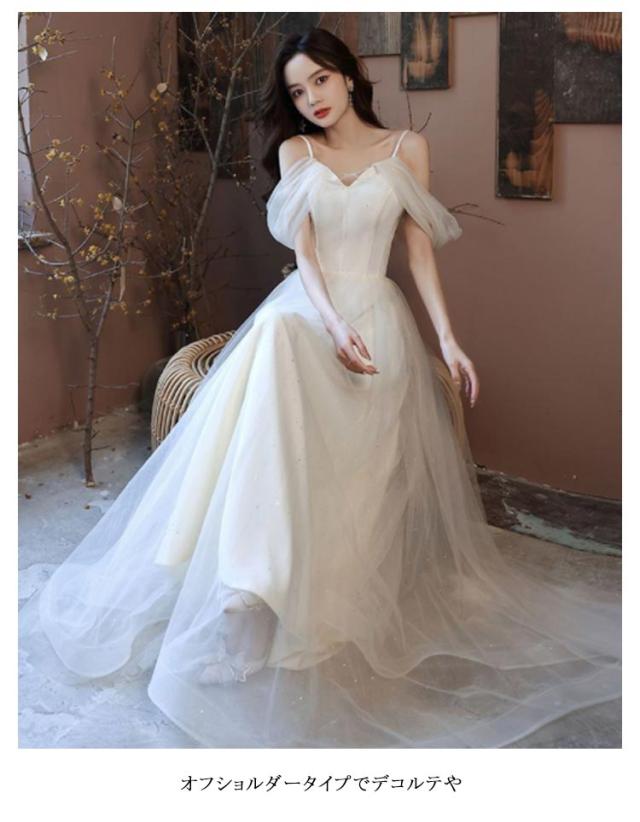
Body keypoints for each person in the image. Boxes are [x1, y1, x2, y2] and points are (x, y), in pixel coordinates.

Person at [20, 27, 621, 748]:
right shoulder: (297, 152)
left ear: (349, 75)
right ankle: (247, 593)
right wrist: (332, 323)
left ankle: (296, 599)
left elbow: (417, 250)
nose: (311, 100)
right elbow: (305, 255)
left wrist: (448, 339)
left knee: (342, 462)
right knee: (276, 339)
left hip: (379, 322)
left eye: (321, 82)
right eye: (298, 92)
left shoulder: (407, 149)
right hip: (312, 315)